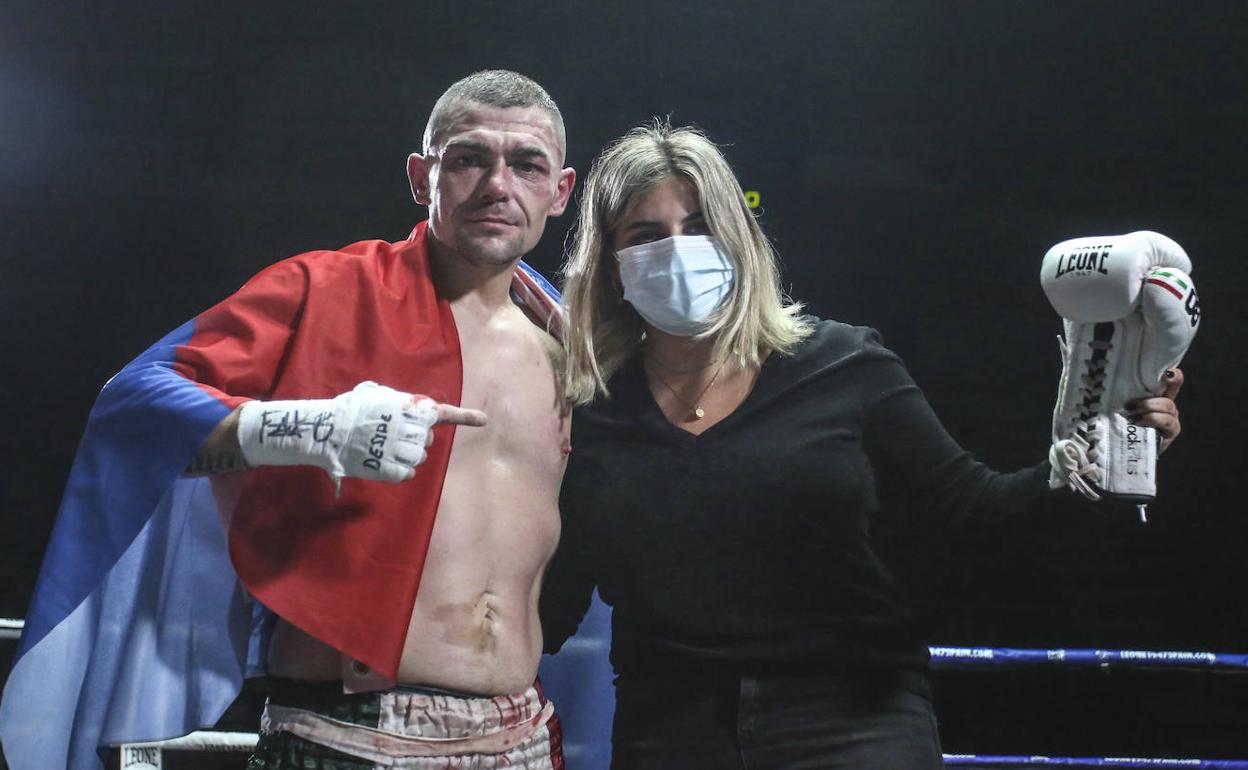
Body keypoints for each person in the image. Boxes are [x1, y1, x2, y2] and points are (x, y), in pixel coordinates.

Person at [540, 121, 1183, 769]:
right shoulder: (590, 411)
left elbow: (977, 514)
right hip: (671, 730)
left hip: (854, 720)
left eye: (700, 225)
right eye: (646, 236)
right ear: (612, 266)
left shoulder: (844, 364)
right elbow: (549, 597)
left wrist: (1091, 457)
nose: (678, 250)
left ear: (739, 239)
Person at [0, 70, 575, 770]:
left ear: (559, 191)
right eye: (468, 158)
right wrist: (310, 429)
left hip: (519, 734)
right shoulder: (328, 290)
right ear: (422, 177)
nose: (496, 184)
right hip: (348, 731)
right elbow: (133, 403)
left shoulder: (568, 345)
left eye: (526, 164)